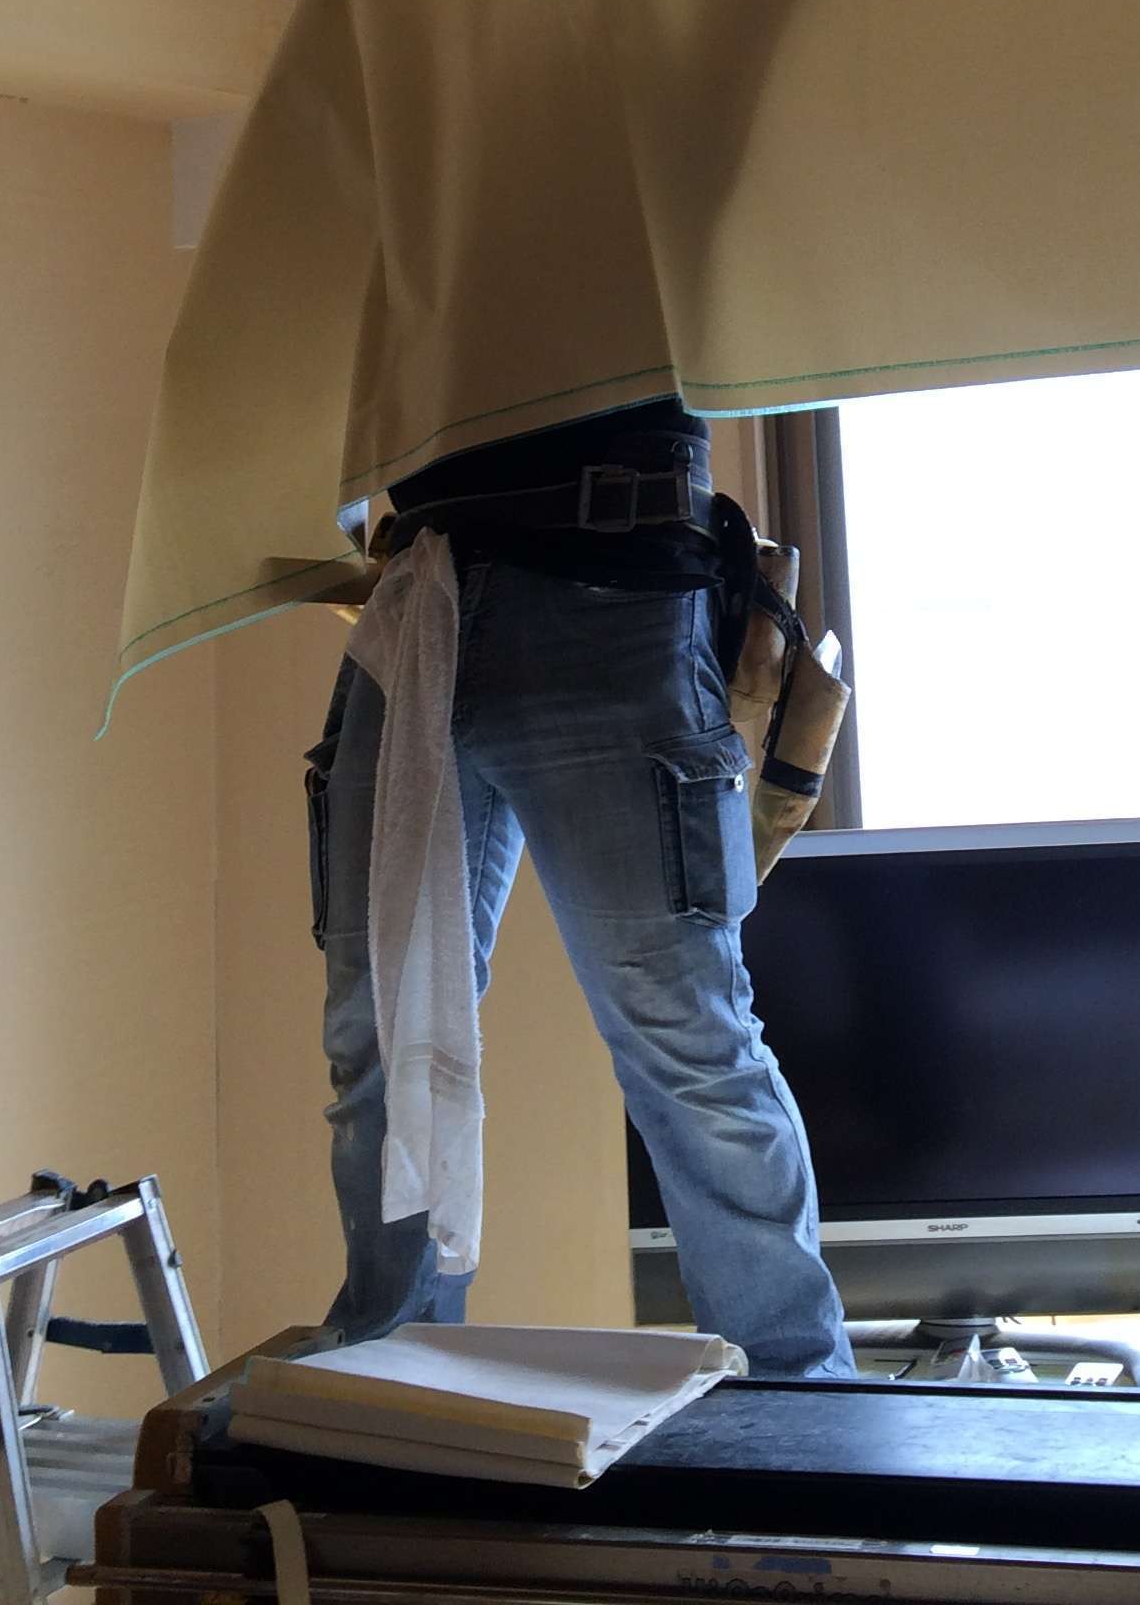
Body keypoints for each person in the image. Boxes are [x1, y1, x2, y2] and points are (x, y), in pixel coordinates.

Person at [307, 393, 852, 1379]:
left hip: (617, 582)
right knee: (378, 1028)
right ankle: (391, 1378)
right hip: (423, 593)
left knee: (684, 1037)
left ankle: (795, 1397)